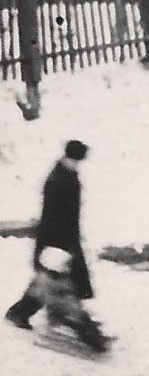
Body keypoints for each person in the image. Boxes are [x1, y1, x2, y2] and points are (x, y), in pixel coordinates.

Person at [7, 139, 94, 332]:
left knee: (56, 278)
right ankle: (26, 313)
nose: (77, 164)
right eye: (75, 160)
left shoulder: (67, 175)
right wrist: (59, 242)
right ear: (67, 157)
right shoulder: (58, 180)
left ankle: (65, 315)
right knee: (53, 278)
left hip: (65, 235)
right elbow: (52, 214)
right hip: (55, 236)